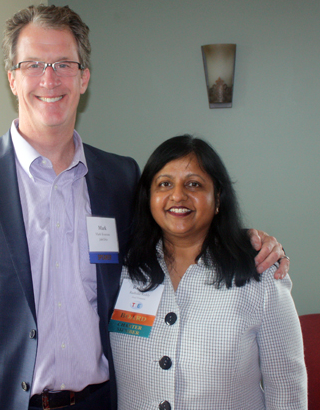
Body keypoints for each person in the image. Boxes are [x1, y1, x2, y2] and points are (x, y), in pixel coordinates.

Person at [0, 5, 288, 410]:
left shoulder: (119, 177)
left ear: (84, 78)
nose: (49, 79)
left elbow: (171, 241)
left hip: (98, 401)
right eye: (33, 64)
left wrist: (248, 242)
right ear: (12, 78)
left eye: (63, 64)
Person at [110, 135, 306, 410]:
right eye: (164, 184)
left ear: (217, 200)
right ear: (149, 198)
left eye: (194, 184)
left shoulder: (258, 273)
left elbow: (286, 387)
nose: (178, 195)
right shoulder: (123, 269)